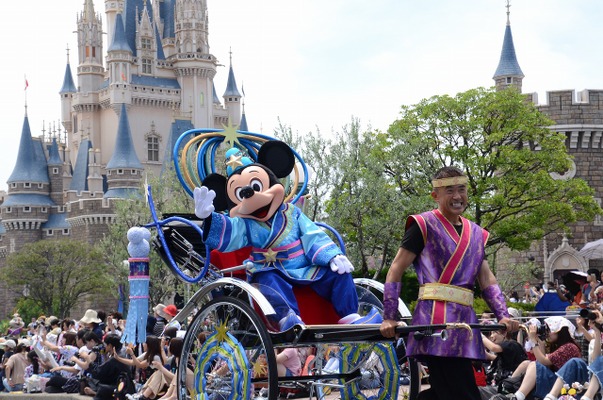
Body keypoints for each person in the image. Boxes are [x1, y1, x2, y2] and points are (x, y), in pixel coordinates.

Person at [379, 166, 518, 400]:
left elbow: (486, 278)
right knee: (462, 392)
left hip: (464, 322)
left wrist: (503, 315)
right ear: (435, 195)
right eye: (450, 190)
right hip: (433, 321)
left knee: (447, 391)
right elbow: (396, 268)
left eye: (461, 189)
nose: (457, 196)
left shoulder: (476, 233)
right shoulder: (422, 225)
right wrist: (389, 316)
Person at [503, 316, 581, 400]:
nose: (547, 333)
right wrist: (538, 340)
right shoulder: (558, 346)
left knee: (533, 365)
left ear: (559, 331)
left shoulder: (569, 347)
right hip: (556, 382)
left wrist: (533, 340)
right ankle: (508, 388)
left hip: (564, 386)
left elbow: (543, 361)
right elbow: (543, 363)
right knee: (526, 363)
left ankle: (518, 397)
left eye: (549, 330)